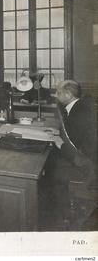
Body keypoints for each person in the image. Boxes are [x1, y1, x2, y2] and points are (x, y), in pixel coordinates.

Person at [48, 80, 97, 219]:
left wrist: (58, 141)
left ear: (68, 94)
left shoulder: (77, 114)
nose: (56, 96)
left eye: (58, 93)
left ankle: (63, 215)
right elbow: (75, 135)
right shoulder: (79, 107)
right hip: (88, 160)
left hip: (87, 166)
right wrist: (59, 133)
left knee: (52, 171)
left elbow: (77, 151)